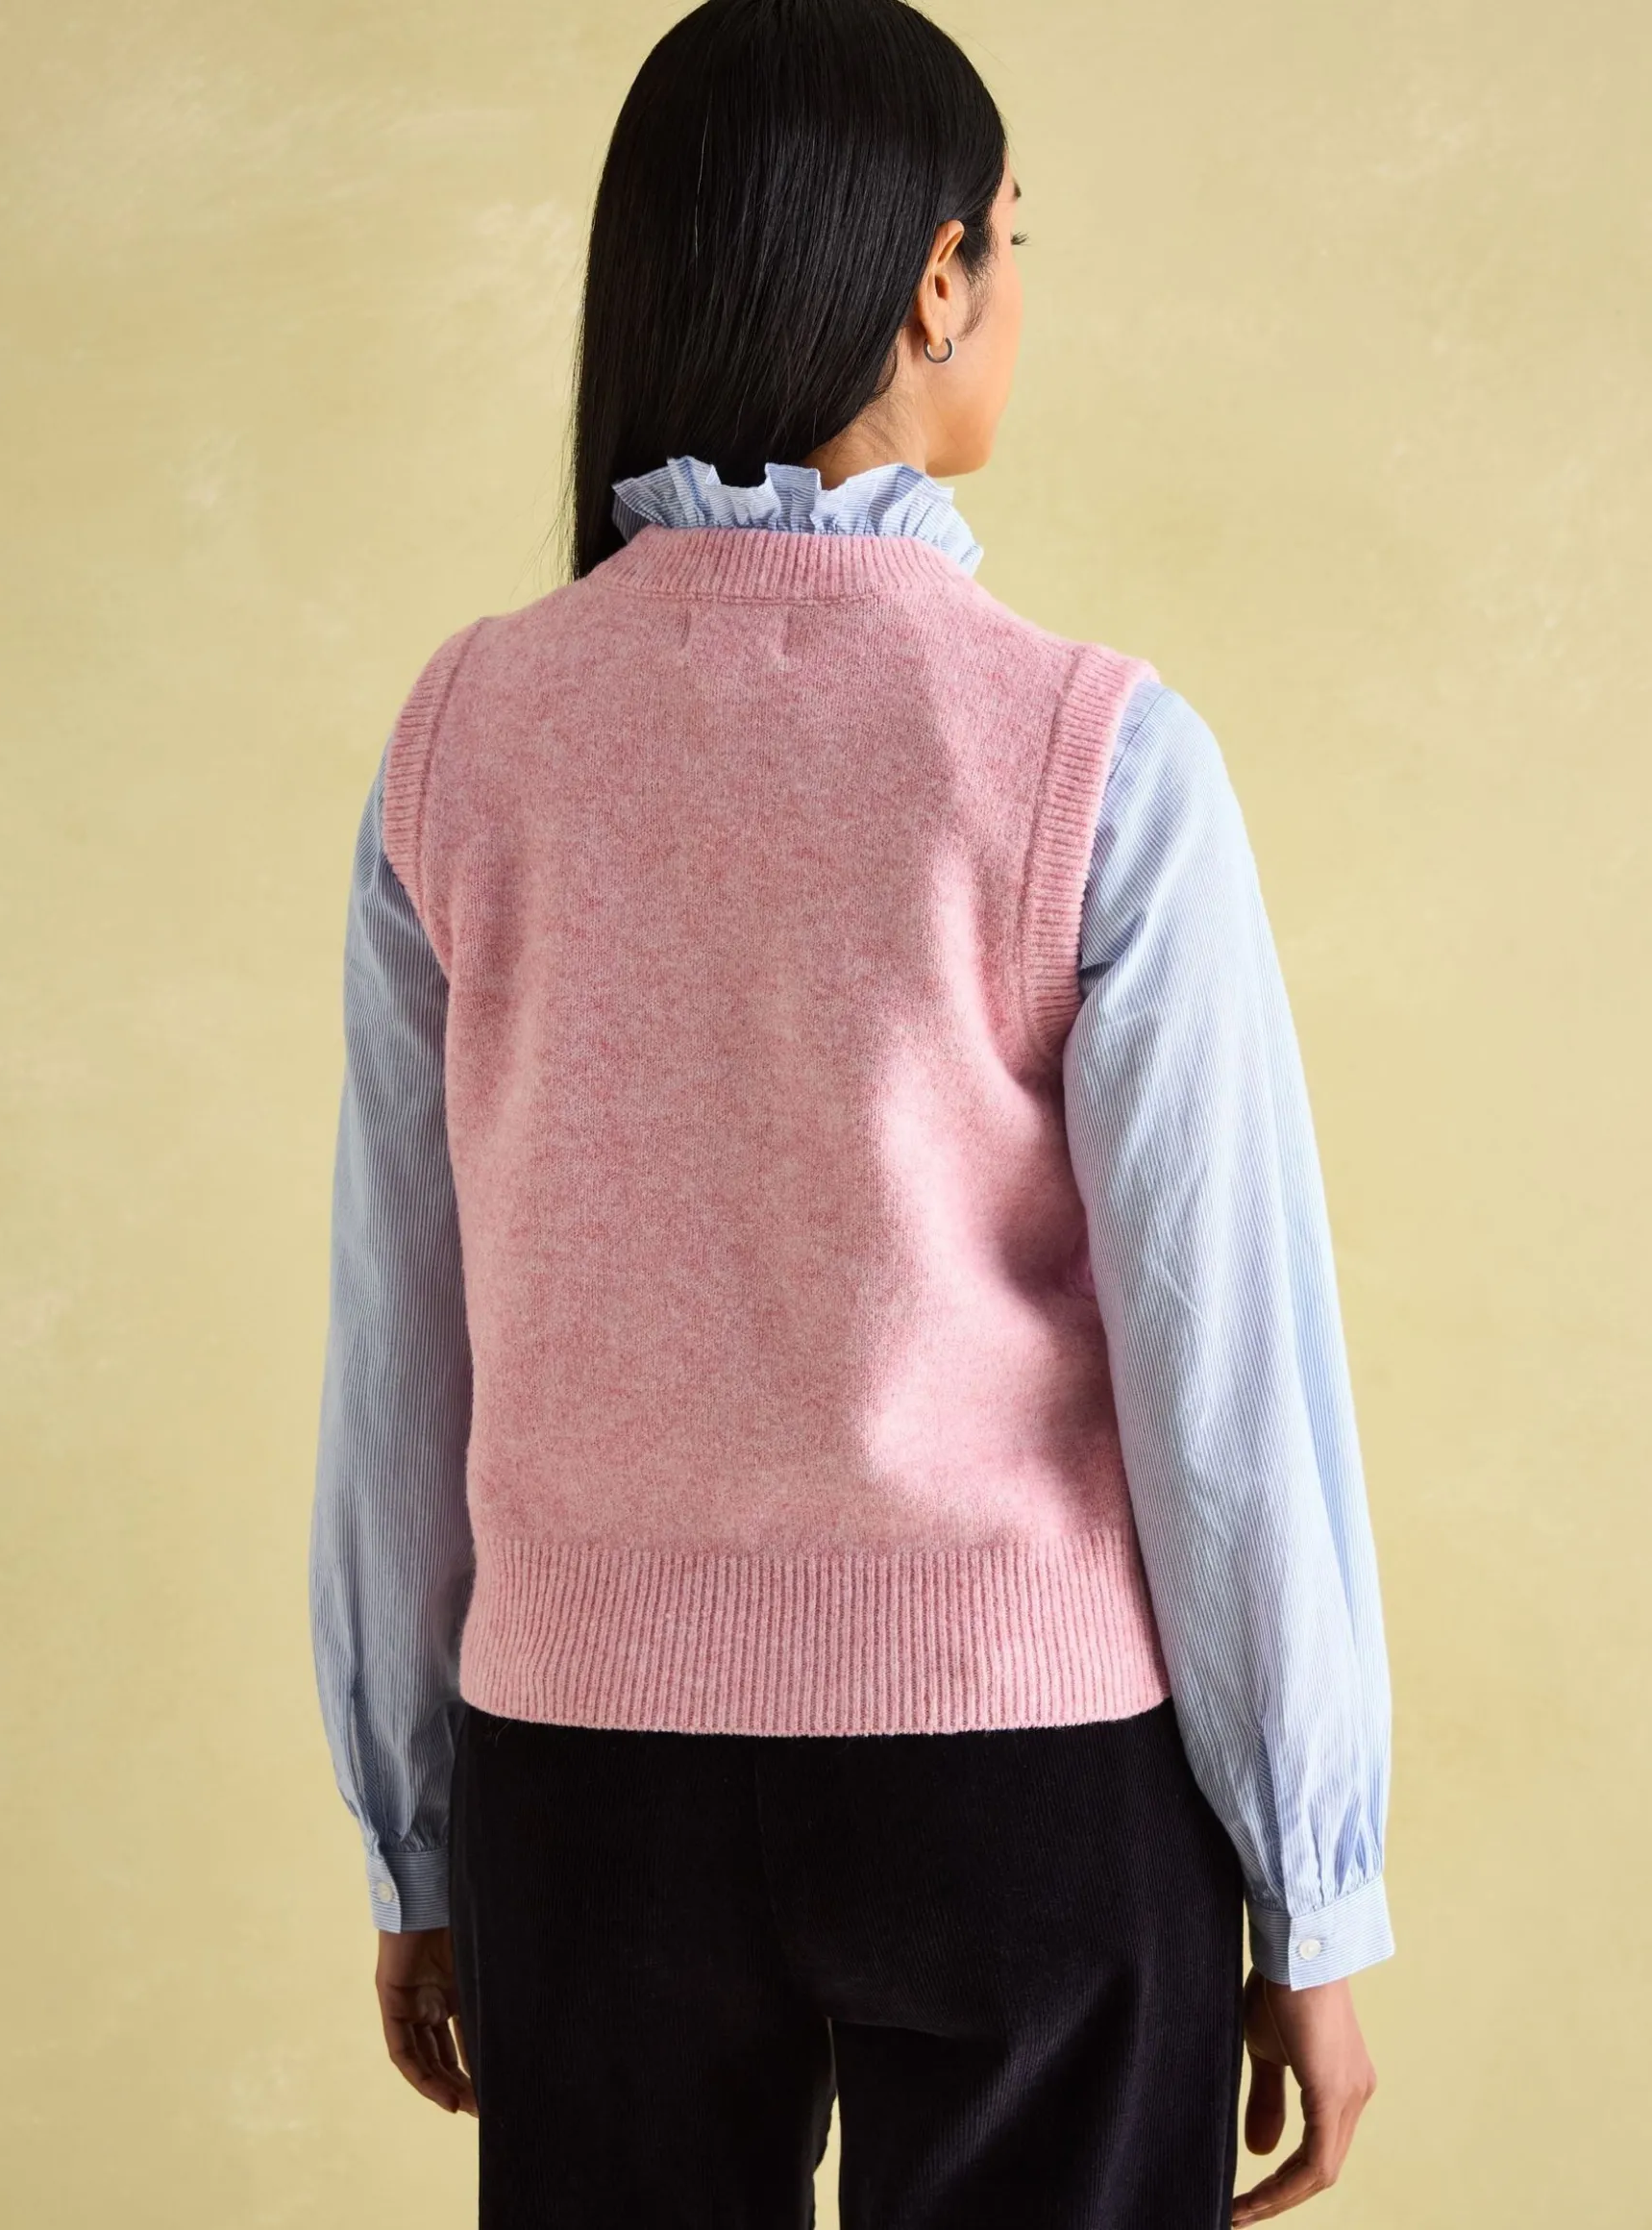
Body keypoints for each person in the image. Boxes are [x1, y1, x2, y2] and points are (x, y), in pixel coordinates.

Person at [308, 2, 1393, 2222]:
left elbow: (402, 1345)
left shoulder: (466, 739)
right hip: (1029, 1775)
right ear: (931, 280)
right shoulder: (1092, 750)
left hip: (583, 1778)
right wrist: (1317, 1881)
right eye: (1014, 243)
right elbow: (1225, 1370)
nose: (1019, 293)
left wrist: (415, 1828)